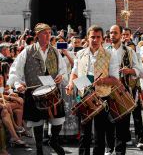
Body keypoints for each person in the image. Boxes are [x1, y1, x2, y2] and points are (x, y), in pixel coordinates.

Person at [8, 23, 67, 155]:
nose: (48, 36)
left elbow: (63, 70)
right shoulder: (27, 51)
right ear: (37, 35)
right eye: (45, 33)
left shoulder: (55, 51)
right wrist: (18, 84)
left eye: (49, 33)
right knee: (37, 122)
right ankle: (39, 148)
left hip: (53, 91)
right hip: (34, 93)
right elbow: (14, 70)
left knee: (58, 121)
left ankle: (54, 141)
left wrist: (61, 77)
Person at [66, 25, 116, 155]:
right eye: (92, 37)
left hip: (102, 96)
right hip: (84, 95)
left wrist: (102, 81)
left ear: (102, 39)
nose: (95, 40)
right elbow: (74, 72)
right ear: (87, 38)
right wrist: (71, 84)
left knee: (100, 134)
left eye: (98, 37)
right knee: (84, 133)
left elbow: (115, 79)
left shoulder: (110, 55)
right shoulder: (80, 54)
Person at [106, 25, 143, 154]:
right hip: (108, 91)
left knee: (123, 125)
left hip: (124, 91)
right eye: (111, 33)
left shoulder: (129, 51)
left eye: (115, 33)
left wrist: (130, 70)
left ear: (121, 34)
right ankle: (109, 147)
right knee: (109, 121)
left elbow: (141, 71)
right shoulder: (105, 51)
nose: (112, 35)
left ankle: (120, 151)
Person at [121, 27, 143, 149]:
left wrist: (132, 71)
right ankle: (126, 137)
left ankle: (140, 139)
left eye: (127, 34)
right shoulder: (118, 53)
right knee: (124, 116)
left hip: (134, 89)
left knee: (137, 116)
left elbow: (142, 73)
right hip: (122, 90)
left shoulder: (136, 56)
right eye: (123, 34)